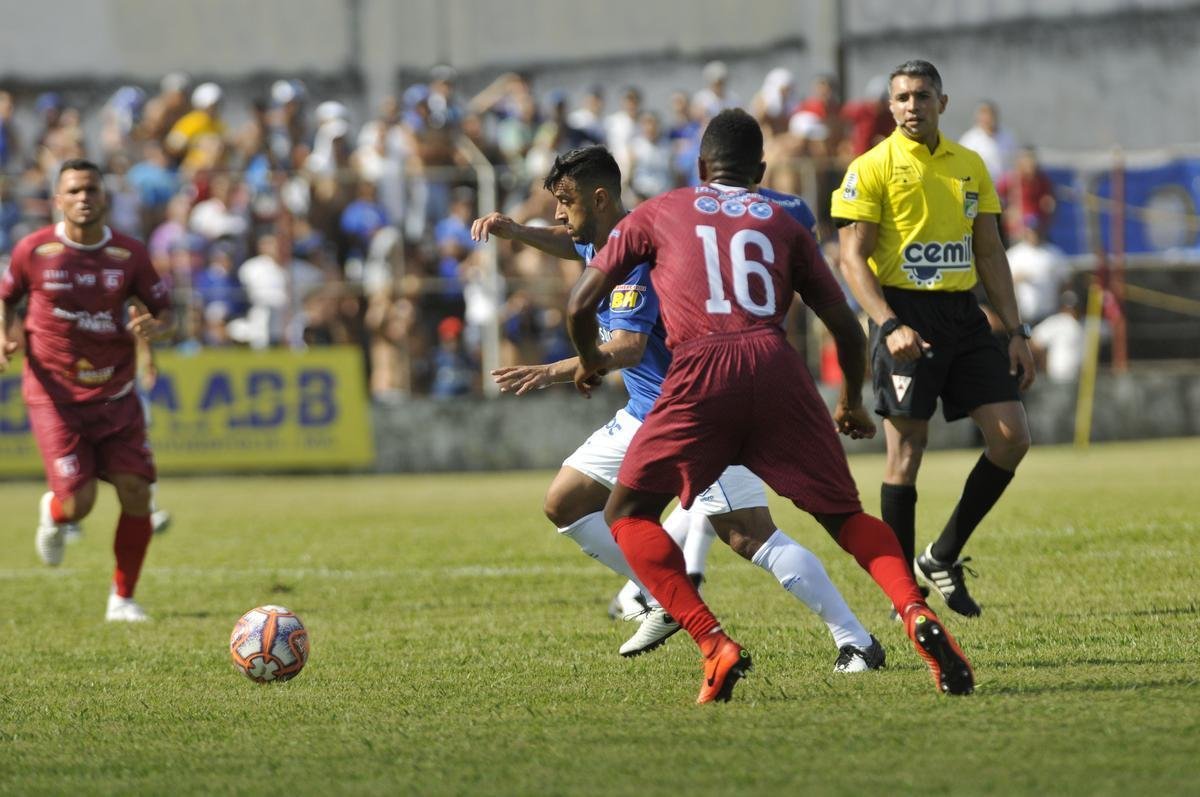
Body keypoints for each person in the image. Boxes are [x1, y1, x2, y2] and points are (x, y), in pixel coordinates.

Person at [567, 113, 974, 703]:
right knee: (845, 517)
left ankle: (713, 644)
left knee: (627, 514)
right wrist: (852, 400)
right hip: (775, 366)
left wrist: (585, 358)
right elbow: (845, 326)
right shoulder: (784, 221)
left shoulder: (659, 211)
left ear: (702, 168)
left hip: (699, 372)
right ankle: (912, 612)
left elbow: (582, 304)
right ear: (759, 172)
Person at [473, 146, 885, 671]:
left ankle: (857, 640)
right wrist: (517, 232)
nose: (557, 213)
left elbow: (627, 347)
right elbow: (567, 241)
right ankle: (663, 595)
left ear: (600, 199)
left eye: (566, 201)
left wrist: (558, 369)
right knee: (566, 501)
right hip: (648, 412)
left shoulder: (636, 262)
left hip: (697, 411)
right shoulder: (601, 238)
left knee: (749, 535)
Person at [830, 60, 1035, 621]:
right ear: (889, 107)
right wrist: (888, 323)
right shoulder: (871, 167)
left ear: (943, 103)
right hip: (904, 314)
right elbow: (852, 259)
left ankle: (941, 555)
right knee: (907, 453)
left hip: (964, 314)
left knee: (1012, 436)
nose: (912, 106)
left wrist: (1015, 331)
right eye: (901, 97)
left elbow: (990, 251)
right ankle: (905, 600)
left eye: (922, 96)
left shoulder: (970, 165)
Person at [0, 158, 173, 622]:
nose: (83, 198)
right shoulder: (33, 251)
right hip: (56, 397)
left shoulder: (130, 255)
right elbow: (7, 297)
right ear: (58, 199)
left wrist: (157, 328)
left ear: (104, 197)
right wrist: (4, 334)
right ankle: (55, 512)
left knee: (137, 492)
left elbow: (164, 309)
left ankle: (123, 599)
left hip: (116, 394)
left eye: (91, 190)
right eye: (73, 190)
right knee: (79, 504)